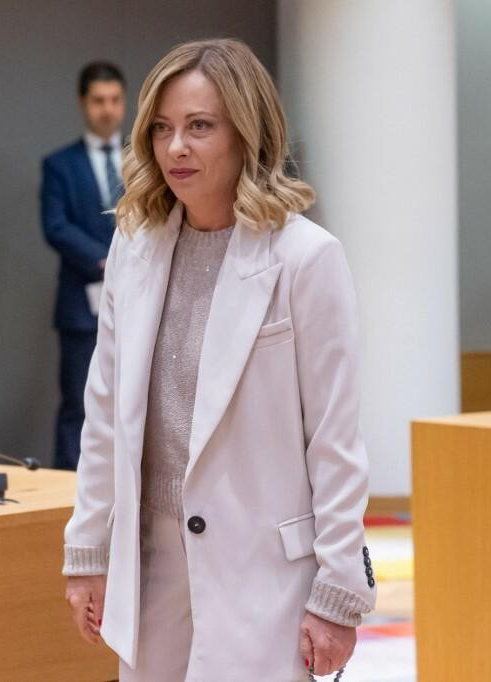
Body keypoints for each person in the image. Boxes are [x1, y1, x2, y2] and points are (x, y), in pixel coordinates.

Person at [62, 39, 376, 680]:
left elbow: (335, 443)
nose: (176, 147)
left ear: (246, 133)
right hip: (150, 567)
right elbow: (104, 417)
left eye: (200, 127)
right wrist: (88, 552)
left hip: (264, 573)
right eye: (163, 129)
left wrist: (339, 594)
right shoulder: (135, 247)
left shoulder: (306, 258)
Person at [40, 62, 126, 471]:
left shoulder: (145, 160)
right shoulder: (59, 164)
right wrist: (104, 259)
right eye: (98, 101)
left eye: (114, 100)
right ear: (83, 103)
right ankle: (64, 499)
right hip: (81, 301)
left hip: (140, 298)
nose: (107, 110)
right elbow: (55, 227)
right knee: (78, 401)